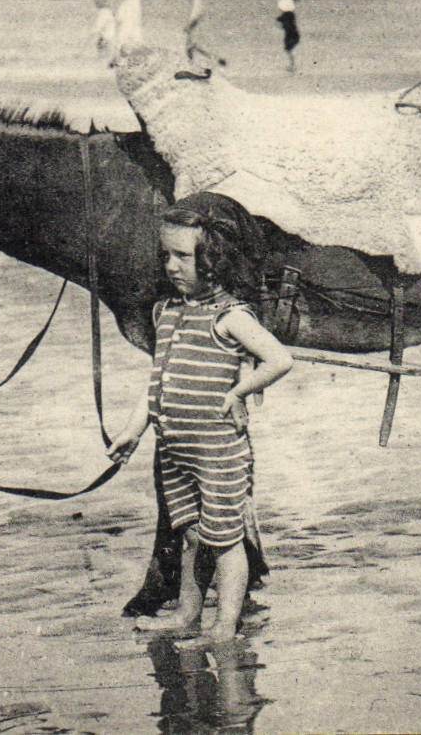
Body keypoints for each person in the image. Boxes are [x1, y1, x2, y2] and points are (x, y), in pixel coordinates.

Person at [108, 193, 294, 643]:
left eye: (183, 257)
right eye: (166, 255)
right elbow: (156, 383)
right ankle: (187, 614)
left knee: (225, 541)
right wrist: (133, 431)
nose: (171, 266)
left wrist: (239, 390)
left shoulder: (231, 318)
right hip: (176, 451)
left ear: (214, 260)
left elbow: (279, 359)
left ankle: (224, 625)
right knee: (192, 537)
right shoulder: (166, 313)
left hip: (217, 453)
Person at [182, 0, 225, 67]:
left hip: (195, 27)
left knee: (192, 47)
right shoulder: (196, 0)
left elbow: (196, 16)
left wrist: (188, 26)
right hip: (195, 27)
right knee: (193, 47)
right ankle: (215, 61)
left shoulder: (196, 1)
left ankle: (192, 65)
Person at [275, 0, 300, 74]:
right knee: (289, 50)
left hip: (290, 34)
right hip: (293, 34)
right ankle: (292, 65)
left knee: (288, 50)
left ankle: (292, 65)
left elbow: (280, 21)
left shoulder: (286, 15)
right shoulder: (290, 14)